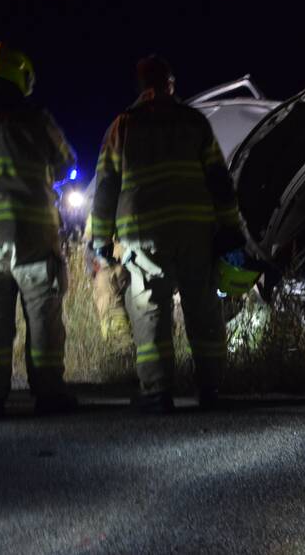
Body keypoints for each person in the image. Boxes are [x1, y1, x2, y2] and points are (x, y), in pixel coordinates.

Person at [89, 55, 244, 413]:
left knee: (149, 309)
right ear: (170, 84)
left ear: (140, 88)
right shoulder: (194, 122)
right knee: (203, 308)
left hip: (143, 236)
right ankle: (211, 390)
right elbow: (220, 180)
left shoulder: (121, 127)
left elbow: (106, 187)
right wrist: (231, 228)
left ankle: (157, 393)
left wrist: (101, 239)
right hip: (195, 231)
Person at [0, 43, 78, 419]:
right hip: (34, 236)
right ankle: (49, 395)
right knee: (43, 316)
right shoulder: (36, 119)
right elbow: (66, 163)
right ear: (20, 75)